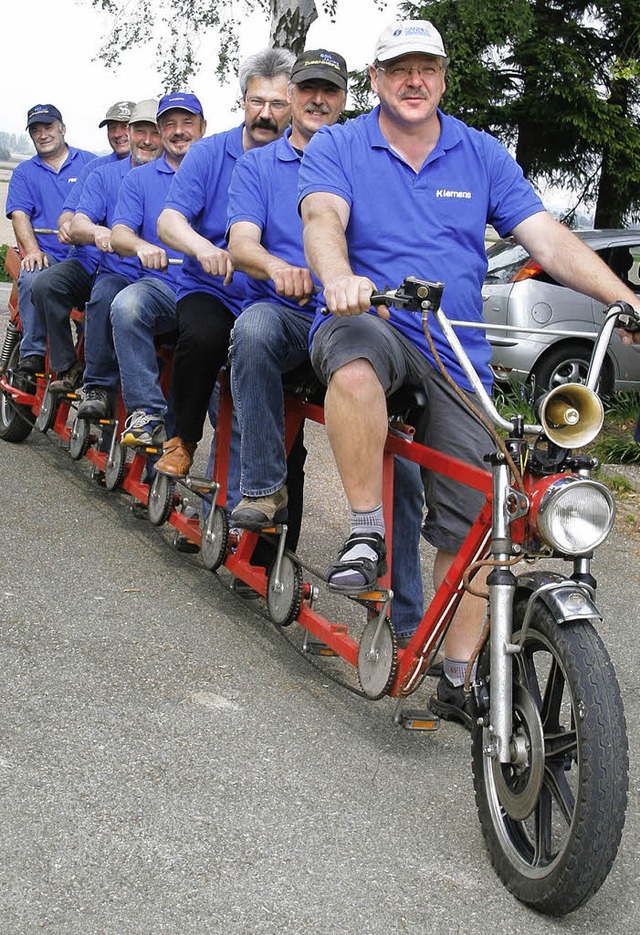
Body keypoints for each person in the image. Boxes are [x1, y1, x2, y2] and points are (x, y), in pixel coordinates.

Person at [298, 19, 640, 727]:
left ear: (444, 78)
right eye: (399, 70)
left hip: (454, 346)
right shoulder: (339, 143)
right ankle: (366, 528)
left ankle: (456, 676)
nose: (413, 81)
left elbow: (543, 234)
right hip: (376, 320)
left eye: (427, 68)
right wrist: (338, 276)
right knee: (355, 372)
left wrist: (623, 297)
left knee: (491, 515)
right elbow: (324, 217)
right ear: (376, 81)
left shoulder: (480, 153)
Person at [227, 48, 425, 640]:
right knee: (253, 329)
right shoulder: (260, 165)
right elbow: (242, 242)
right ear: (288, 96)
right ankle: (264, 490)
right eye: (307, 89)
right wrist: (277, 266)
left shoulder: (367, 153)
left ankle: (406, 623)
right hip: (295, 313)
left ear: (346, 97)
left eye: (330, 92)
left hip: (365, 325)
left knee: (408, 468)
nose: (318, 100)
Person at [154, 47, 296, 479]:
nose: (265, 113)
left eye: (277, 103)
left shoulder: (305, 162)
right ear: (243, 103)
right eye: (257, 102)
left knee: (288, 405)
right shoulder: (208, 154)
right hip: (213, 288)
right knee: (202, 334)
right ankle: (182, 439)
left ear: (292, 106)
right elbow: (169, 219)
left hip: (272, 301)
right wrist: (203, 248)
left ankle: (271, 526)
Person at [108, 93, 207, 446]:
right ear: (160, 131)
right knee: (126, 305)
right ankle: (146, 411)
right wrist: (141, 245)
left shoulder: (224, 172)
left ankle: (232, 485)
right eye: (169, 124)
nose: (178, 132)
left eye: (187, 123)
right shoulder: (140, 179)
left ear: (203, 127)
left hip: (213, 293)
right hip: (164, 288)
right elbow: (119, 232)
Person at [32, 100, 136, 393]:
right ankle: (67, 366)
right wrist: (67, 224)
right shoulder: (96, 168)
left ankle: (103, 381)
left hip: (122, 268)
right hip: (86, 260)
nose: (118, 133)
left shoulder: (153, 169)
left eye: (125, 126)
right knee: (44, 285)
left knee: (104, 305)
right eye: (112, 127)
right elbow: (69, 212)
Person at [69, 100, 163, 419]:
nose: (147, 139)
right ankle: (97, 386)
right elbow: (77, 222)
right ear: (130, 133)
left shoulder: (182, 176)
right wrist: (98, 232)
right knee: (105, 295)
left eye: (154, 131)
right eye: (140, 130)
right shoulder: (105, 174)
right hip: (121, 274)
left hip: (165, 282)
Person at [5, 104, 95, 384]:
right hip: (49, 256)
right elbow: (19, 214)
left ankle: (94, 372)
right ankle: (33, 354)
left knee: (102, 306)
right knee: (33, 277)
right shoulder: (24, 172)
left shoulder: (90, 164)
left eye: (48, 127)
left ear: (62, 129)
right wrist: (32, 251)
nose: (43, 134)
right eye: (36, 130)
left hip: (87, 257)